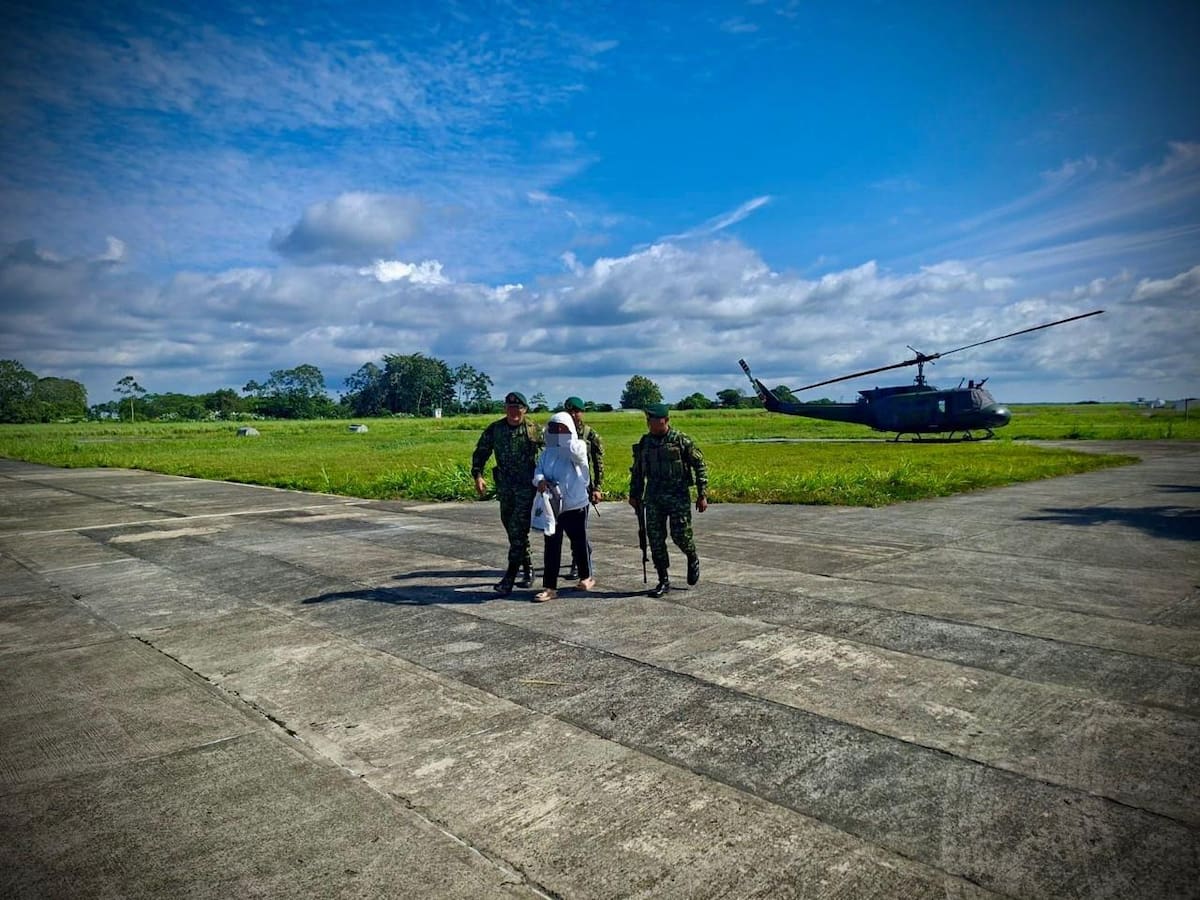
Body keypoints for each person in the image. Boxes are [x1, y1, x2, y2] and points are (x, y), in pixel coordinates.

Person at [628, 403, 707, 598]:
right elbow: (637, 470)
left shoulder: (680, 440)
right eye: (648, 420)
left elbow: (699, 465)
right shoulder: (645, 442)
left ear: (666, 420)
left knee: (681, 536)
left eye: (654, 420)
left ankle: (692, 556)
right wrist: (634, 494)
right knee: (655, 539)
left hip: (678, 496)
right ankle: (663, 580)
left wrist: (702, 494)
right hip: (654, 497)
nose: (650, 423)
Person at [471, 391, 543, 595]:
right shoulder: (496, 429)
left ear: (525, 410)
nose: (514, 412)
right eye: (510, 408)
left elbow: (549, 455)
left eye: (518, 408)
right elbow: (481, 452)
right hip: (505, 488)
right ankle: (528, 567)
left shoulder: (534, 430)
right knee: (511, 529)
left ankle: (509, 577)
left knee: (518, 529)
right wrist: (478, 476)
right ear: (505, 409)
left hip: (526, 488)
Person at [531, 412, 594, 602]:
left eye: (561, 428)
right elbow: (538, 470)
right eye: (553, 428)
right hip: (552, 505)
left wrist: (566, 436)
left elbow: (577, 453)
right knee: (551, 545)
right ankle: (550, 587)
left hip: (575, 505)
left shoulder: (578, 446)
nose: (557, 432)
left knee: (579, 542)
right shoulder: (547, 452)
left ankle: (586, 577)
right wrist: (540, 481)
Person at [562, 396, 604, 580]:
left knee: (579, 528)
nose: (573, 415)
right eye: (569, 411)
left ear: (582, 413)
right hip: (563, 488)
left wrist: (597, 488)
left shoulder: (589, 434)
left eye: (576, 411)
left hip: (582, 488)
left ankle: (578, 563)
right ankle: (581, 554)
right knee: (567, 528)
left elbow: (598, 463)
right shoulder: (558, 432)